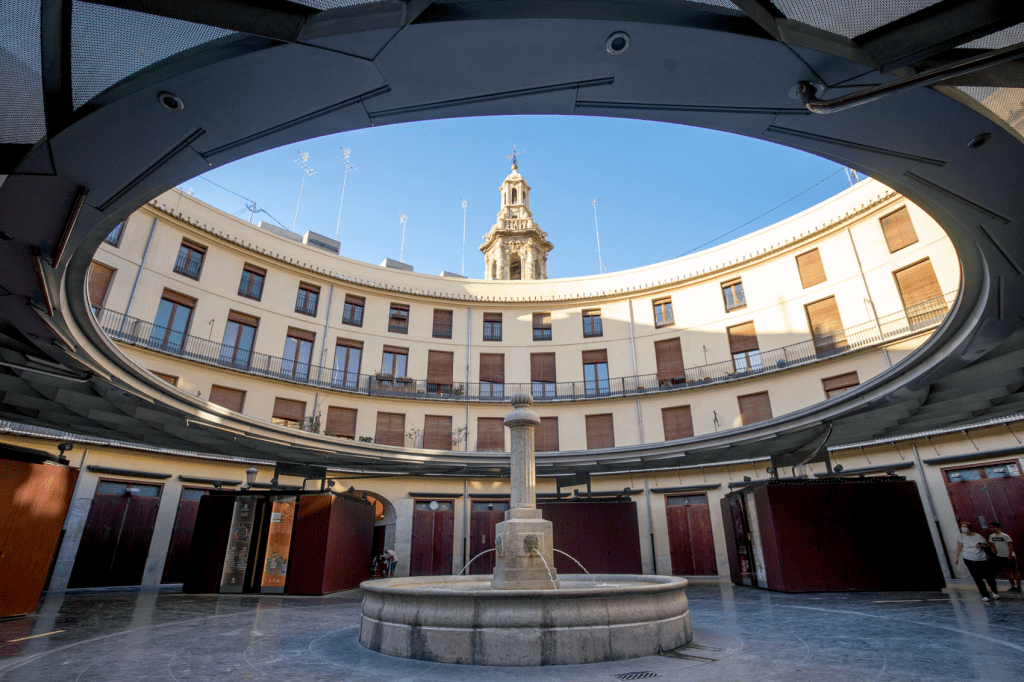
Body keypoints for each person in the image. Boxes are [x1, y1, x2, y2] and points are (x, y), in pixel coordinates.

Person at [955, 520, 998, 601]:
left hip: (982, 559)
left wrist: (981, 546)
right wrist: (956, 557)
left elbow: (986, 545)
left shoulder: (978, 536)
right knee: (977, 578)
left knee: (989, 577)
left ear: (969, 528)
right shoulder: (960, 536)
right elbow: (959, 547)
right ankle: (985, 595)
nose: (963, 528)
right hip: (969, 559)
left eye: (965, 527)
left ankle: (994, 591)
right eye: (962, 527)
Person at [988, 522, 1022, 593]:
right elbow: (992, 545)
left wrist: (1010, 555)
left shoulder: (1005, 536)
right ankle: (1013, 585)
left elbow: (1010, 546)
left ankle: (1019, 586)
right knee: (1006, 571)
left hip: (1008, 556)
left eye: (994, 527)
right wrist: (994, 553)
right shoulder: (991, 536)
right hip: (1000, 556)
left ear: (998, 528)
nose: (992, 529)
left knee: (1015, 571)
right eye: (991, 527)